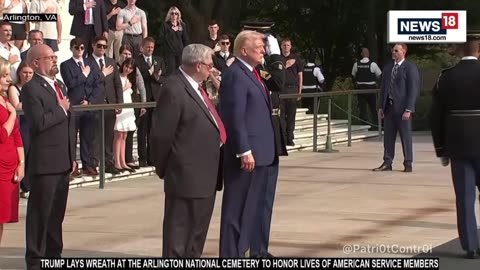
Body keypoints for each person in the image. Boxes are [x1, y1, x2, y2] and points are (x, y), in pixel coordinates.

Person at [150, 44, 225, 257]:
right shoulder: (174, 88)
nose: (212, 70)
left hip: (205, 177)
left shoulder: (196, 87)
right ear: (198, 65)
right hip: (185, 176)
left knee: (196, 237)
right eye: (210, 66)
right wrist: (166, 168)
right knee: (179, 239)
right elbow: (161, 135)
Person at [219, 30, 276, 257]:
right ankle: (231, 255)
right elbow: (234, 116)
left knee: (252, 210)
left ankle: (245, 252)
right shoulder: (235, 74)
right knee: (237, 210)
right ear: (243, 50)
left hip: (262, 154)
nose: (263, 49)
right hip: (247, 155)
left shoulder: (253, 73)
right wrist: (244, 149)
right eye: (258, 46)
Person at [22, 44, 76, 270]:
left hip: (63, 161)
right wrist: (61, 109)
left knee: (56, 216)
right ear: (36, 62)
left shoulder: (59, 85)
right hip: (45, 163)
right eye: (49, 57)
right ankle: (35, 259)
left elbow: (69, 125)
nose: (55, 61)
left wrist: (72, 155)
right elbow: (39, 122)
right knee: (40, 215)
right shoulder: (31, 88)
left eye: (55, 57)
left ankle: (54, 256)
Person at [430, 30, 480, 259]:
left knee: (465, 196)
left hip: (458, 145)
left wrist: (441, 149)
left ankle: (470, 246)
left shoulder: (446, 76)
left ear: (461, 50)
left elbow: (436, 116)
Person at [245, 22, 288, 258]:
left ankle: (260, 249)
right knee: (253, 200)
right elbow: (279, 81)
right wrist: (277, 57)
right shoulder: (251, 69)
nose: (265, 45)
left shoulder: (262, 67)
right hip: (256, 141)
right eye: (263, 40)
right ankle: (246, 247)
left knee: (265, 200)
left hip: (272, 136)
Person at [373, 43, 420, 173]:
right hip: (389, 108)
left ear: (403, 52)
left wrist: (409, 109)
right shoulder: (388, 68)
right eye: (392, 50)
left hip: (403, 109)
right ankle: (387, 162)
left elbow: (413, 90)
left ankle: (408, 163)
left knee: (405, 137)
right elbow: (383, 89)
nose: (393, 53)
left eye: (396, 50)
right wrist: (381, 106)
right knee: (388, 137)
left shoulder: (410, 68)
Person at [0, 57, 24, 246]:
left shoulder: (5, 99)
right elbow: (2, 134)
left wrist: (21, 163)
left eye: (9, 75)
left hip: (10, 166)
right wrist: (13, 114)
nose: (9, 80)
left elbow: (16, 135)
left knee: (2, 220)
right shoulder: (8, 106)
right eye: (4, 76)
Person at [7, 62, 32, 197]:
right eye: (25, 72)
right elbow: (17, 106)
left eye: (30, 73)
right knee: (24, 153)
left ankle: (29, 184)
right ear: (19, 74)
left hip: (32, 124)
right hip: (21, 125)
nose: (27, 75)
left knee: (32, 155)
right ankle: (24, 186)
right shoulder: (14, 88)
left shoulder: (34, 88)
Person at [113, 58, 137, 173]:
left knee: (124, 136)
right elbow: (116, 92)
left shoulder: (129, 78)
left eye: (130, 68)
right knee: (118, 135)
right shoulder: (118, 77)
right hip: (120, 107)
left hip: (128, 107)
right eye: (126, 66)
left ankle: (123, 161)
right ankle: (117, 161)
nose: (128, 69)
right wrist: (125, 88)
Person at [352, 48, 382, 125]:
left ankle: (364, 126)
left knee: (362, 109)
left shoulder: (356, 64)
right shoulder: (373, 64)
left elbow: (353, 76)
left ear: (361, 54)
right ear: (368, 54)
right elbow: (379, 75)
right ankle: (376, 125)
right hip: (371, 90)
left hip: (360, 90)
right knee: (373, 109)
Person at [159, 6, 189, 75]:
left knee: (181, 72)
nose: (174, 15)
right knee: (171, 72)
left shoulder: (182, 25)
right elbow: (161, 39)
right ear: (169, 15)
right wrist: (170, 32)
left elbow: (185, 40)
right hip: (169, 53)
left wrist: (186, 52)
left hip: (180, 52)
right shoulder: (165, 25)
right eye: (172, 13)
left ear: (178, 15)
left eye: (176, 13)